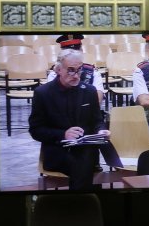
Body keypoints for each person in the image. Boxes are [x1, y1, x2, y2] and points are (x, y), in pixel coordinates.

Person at [29, 49, 110, 190]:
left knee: (85, 158)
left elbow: (97, 120)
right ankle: (88, 203)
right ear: (58, 69)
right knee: (83, 164)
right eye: (71, 70)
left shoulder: (89, 91)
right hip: (58, 151)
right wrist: (63, 134)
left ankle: (80, 205)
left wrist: (101, 130)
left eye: (79, 70)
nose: (76, 76)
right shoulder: (43, 93)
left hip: (85, 149)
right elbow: (36, 130)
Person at [47, 34, 104, 105]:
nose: (73, 55)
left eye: (76, 51)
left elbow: (97, 101)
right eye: (69, 52)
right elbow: (52, 101)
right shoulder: (55, 74)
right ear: (62, 55)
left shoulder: (92, 73)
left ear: (82, 51)